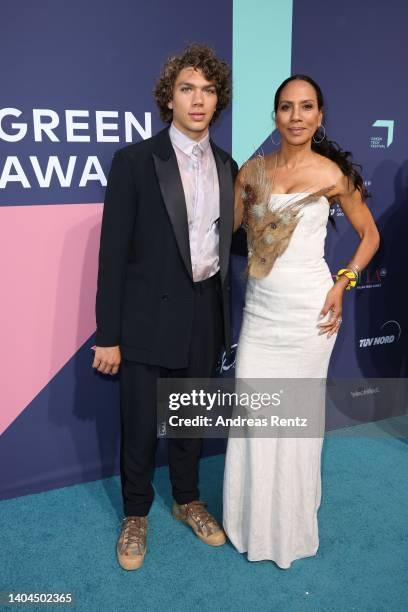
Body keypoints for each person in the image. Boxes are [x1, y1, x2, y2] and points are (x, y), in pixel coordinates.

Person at [223, 75, 380, 569]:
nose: (296, 116)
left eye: (306, 107)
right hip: (261, 312)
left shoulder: (334, 175)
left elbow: (369, 235)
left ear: (320, 116)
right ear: (275, 116)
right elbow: (223, 235)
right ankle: (250, 521)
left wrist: (343, 281)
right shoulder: (251, 172)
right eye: (287, 107)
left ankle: (288, 526)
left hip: (310, 313)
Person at [93, 43, 238, 570]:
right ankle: (135, 514)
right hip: (146, 314)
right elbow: (112, 254)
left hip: (205, 309)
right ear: (168, 97)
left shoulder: (228, 164)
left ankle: (186, 499)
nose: (198, 100)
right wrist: (107, 334)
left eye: (207, 90)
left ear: (217, 100)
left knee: (192, 415)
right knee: (138, 421)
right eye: (187, 89)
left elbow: (229, 242)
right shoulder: (134, 161)